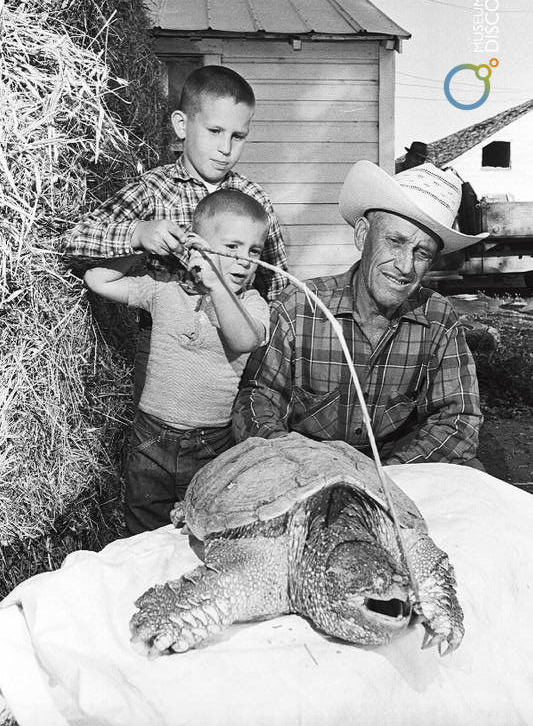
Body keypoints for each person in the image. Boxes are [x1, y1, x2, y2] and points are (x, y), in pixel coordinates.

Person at [233, 160, 489, 468]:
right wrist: (291, 462)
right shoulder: (300, 304)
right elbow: (257, 399)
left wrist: (390, 475)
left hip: (393, 470)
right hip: (304, 468)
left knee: (475, 475)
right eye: (395, 241)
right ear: (363, 235)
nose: (405, 266)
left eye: (422, 253)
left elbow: (460, 419)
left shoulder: (437, 317)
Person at [63, 64, 288, 402]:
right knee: (154, 434)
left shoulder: (255, 201)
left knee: (220, 440)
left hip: (233, 348)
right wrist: (138, 233)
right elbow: (71, 240)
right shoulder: (155, 189)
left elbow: (278, 285)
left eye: (237, 136)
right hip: (162, 345)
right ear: (182, 125)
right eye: (214, 131)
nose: (226, 148)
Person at [84, 189, 271, 534]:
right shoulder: (163, 289)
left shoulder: (252, 302)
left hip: (210, 446)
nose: (245, 260)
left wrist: (216, 286)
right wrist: (142, 243)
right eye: (232, 247)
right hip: (150, 438)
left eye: (254, 250)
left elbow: (245, 339)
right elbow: (97, 280)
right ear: (197, 246)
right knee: (142, 533)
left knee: (201, 532)